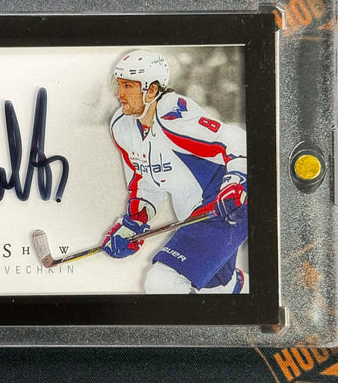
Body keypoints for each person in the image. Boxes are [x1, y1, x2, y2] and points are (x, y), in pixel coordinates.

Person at [101, 49, 248, 294]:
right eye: (120, 85)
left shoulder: (172, 115)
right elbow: (145, 180)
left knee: (163, 281)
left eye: (128, 86)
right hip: (194, 212)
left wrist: (235, 181)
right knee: (216, 287)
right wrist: (134, 222)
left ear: (151, 91)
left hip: (226, 203)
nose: (120, 94)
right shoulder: (122, 126)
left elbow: (233, 138)